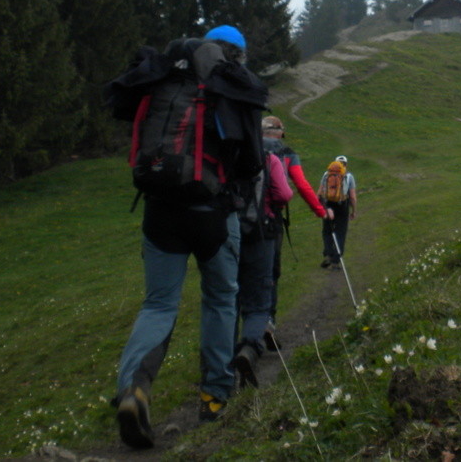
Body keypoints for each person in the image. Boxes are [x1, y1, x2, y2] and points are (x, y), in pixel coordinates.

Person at [113, 25, 262, 449]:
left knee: (158, 303)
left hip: (160, 209)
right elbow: (251, 161)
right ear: (237, 54)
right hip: (212, 213)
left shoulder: (165, 78)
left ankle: (133, 389)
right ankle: (215, 395)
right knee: (219, 298)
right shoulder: (230, 83)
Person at [259, 116, 332, 345]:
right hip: (271, 219)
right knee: (271, 272)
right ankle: (267, 322)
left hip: (239, 217)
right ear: (280, 132)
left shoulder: (247, 145)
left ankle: (234, 335)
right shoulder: (286, 153)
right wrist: (320, 211)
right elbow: (301, 184)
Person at [232, 148, 292, 387]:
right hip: (261, 233)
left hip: (230, 231)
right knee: (260, 298)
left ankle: (223, 360)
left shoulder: (228, 154)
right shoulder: (269, 158)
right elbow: (284, 194)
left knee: (228, 298)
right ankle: (249, 347)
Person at [318, 155, 357, 269]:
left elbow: (319, 193)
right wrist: (353, 211)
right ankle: (336, 261)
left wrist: (320, 208)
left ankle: (328, 254)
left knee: (327, 230)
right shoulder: (349, 176)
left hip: (328, 205)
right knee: (340, 232)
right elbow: (353, 197)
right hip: (342, 206)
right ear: (346, 164)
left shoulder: (326, 175)